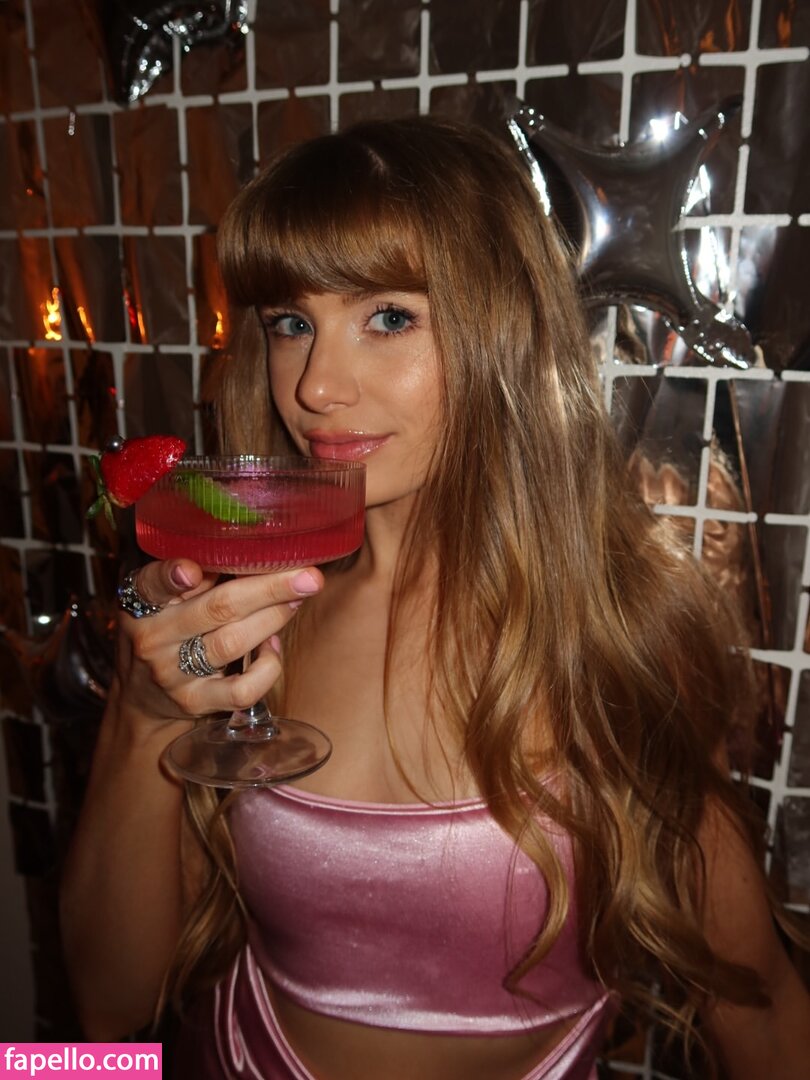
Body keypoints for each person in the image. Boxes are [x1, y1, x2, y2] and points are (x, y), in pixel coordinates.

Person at [60, 116, 810, 1080]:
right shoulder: (250, 618)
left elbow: (760, 1012)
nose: (317, 386)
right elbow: (110, 1012)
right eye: (291, 323)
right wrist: (142, 718)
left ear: (502, 329)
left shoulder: (611, 637)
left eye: (388, 318)